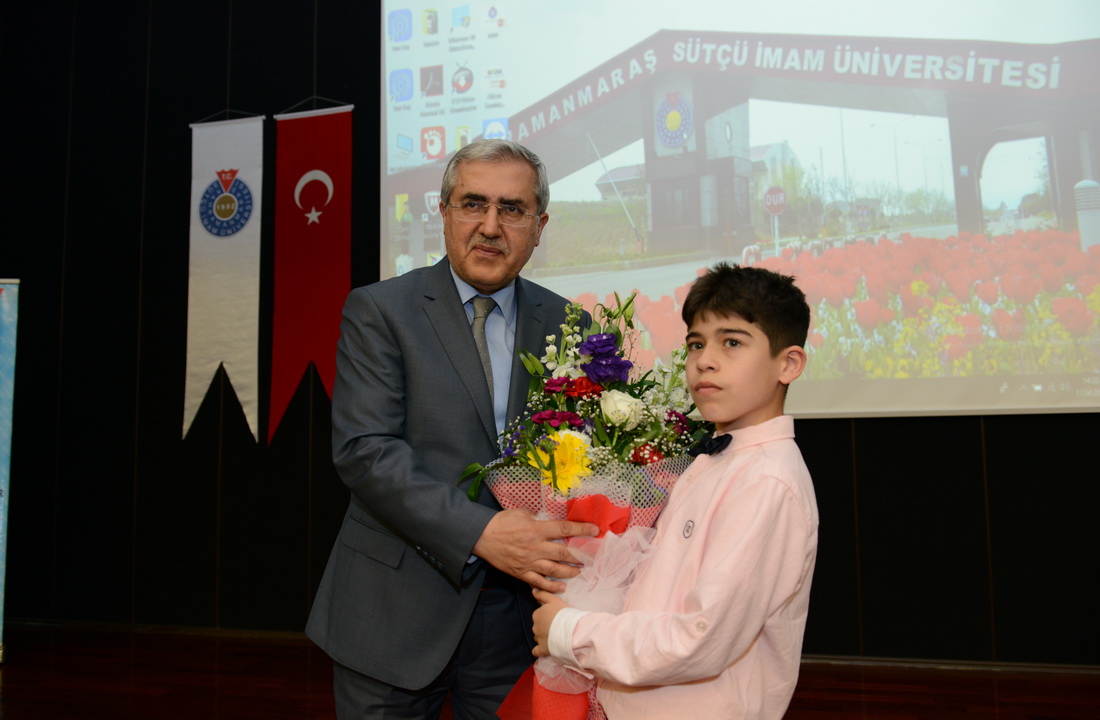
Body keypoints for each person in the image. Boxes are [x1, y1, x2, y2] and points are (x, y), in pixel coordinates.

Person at [307, 139, 598, 719]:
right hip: (394, 608)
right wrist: (480, 532)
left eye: (512, 209)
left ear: (539, 226)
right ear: (444, 212)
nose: (490, 226)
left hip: (520, 621)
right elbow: (366, 452)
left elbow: (586, 461)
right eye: (473, 204)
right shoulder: (380, 310)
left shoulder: (571, 324)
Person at [531, 262, 819, 719]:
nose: (705, 360)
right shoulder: (713, 461)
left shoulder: (766, 482)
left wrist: (570, 631)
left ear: (788, 363)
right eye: (696, 344)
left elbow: (699, 639)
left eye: (732, 342)